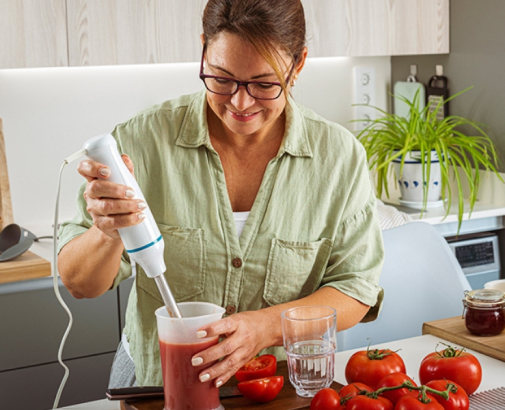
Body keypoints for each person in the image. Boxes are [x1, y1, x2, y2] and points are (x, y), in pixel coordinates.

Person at [57, 0, 384, 389]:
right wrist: (107, 232)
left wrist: (263, 329)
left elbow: (355, 289)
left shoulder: (338, 157)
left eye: (264, 84)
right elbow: (80, 284)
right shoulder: (142, 142)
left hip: (276, 387)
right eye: (222, 78)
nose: (240, 103)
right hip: (157, 385)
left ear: (298, 65)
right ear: (203, 50)